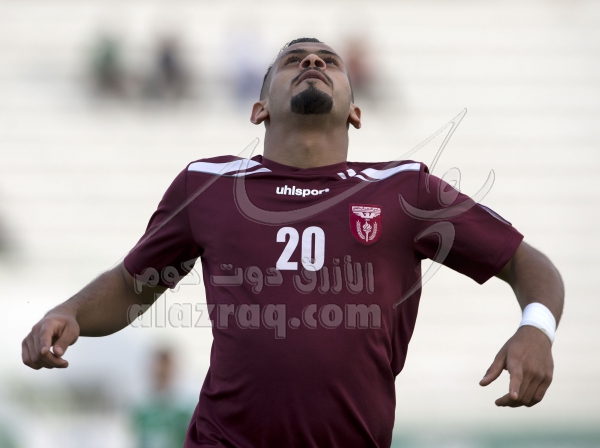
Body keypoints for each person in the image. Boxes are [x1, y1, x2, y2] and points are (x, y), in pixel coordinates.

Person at [22, 38, 564, 448]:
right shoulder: (207, 184)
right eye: (293, 60)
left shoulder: (406, 188)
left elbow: (525, 262)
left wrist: (536, 329)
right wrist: (70, 312)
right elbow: (132, 285)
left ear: (355, 111)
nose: (312, 61)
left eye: (329, 61)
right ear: (259, 108)